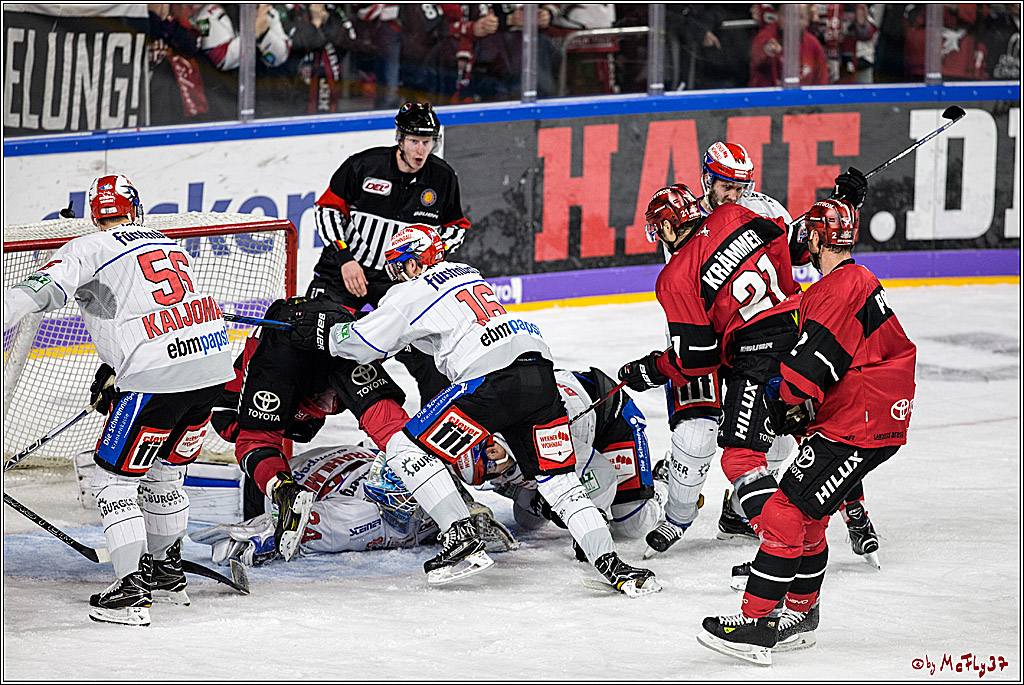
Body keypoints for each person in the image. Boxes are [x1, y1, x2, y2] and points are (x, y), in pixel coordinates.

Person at [281, 224, 659, 595]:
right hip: (539, 375)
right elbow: (437, 338)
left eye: (400, 266)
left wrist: (322, 334)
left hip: (490, 380)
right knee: (560, 482)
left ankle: (459, 532)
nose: (398, 276)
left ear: (415, 263)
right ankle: (614, 565)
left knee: (405, 447)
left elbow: (361, 344)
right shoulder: (468, 275)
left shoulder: (413, 291)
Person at [2, 175, 236, 626]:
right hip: (211, 367)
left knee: (114, 480)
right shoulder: (169, 243)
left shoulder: (86, 247)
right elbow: (147, 308)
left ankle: (130, 593)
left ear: (95, 215)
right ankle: (168, 577)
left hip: (156, 375)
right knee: (167, 472)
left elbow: (38, 294)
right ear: (137, 209)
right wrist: (114, 368)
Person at [698, 197, 916, 666]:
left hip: (859, 423)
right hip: (864, 416)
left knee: (783, 513)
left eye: (807, 234)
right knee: (810, 520)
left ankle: (755, 625)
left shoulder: (842, 288)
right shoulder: (846, 282)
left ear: (816, 239)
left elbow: (807, 373)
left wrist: (772, 406)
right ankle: (800, 616)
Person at [618, 184, 803, 565]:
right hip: (787, 328)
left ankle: (752, 522)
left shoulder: (673, 276)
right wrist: (784, 292)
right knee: (699, 431)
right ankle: (678, 517)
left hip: (740, 348)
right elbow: (781, 238)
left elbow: (698, 359)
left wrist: (652, 369)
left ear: (669, 228)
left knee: (765, 445)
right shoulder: (732, 212)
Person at [210, 295, 410, 559]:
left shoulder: (253, 378)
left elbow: (251, 436)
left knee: (257, 443)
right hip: (336, 330)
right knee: (391, 427)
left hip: (295, 340)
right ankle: (428, 473)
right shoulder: (233, 402)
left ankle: (284, 496)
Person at [310, 101, 469, 405]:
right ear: (400, 139)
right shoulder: (365, 165)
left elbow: (456, 227)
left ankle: (434, 430)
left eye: (427, 141)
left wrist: (430, 255)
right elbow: (327, 210)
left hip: (400, 283)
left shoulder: (443, 177)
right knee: (316, 346)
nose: (421, 150)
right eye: (414, 141)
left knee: (429, 356)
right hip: (343, 274)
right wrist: (345, 259)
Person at [189, 443, 518, 565]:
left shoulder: (431, 502)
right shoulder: (362, 517)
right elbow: (298, 520)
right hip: (278, 480)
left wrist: (472, 514)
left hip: (340, 459)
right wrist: (263, 535)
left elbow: (490, 532)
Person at [451, 367, 663, 543]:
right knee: (526, 519)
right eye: (482, 477)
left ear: (491, 449)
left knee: (632, 523)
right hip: (567, 421)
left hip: (608, 419)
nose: (495, 477)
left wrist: (590, 523)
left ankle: (663, 481)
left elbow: (601, 474)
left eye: (488, 469)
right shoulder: (491, 445)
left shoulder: (537, 437)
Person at [749, 3, 828, 87]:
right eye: (787, 15)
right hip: (768, 97)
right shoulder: (764, 36)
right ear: (778, 16)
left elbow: (821, 82)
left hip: (803, 98)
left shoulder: (814, 45)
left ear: (807, 20)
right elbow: (757, 53)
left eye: (799, 17)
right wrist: (767, 50)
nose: (793, 21)